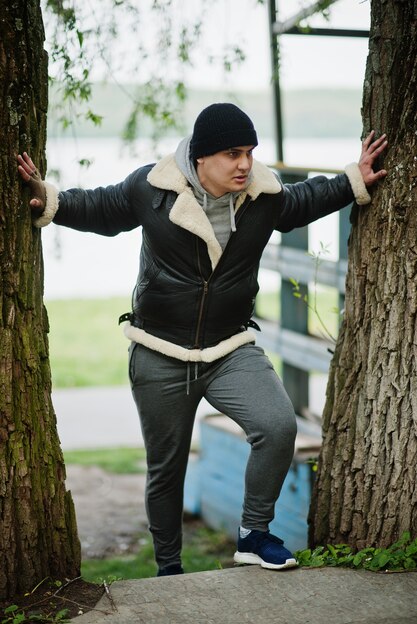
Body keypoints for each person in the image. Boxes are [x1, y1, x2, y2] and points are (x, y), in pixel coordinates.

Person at [17, 103, 388, 576]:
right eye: (233, 153)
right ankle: (169, 570)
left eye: (250, 153)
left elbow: (305, 200)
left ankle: (254, 535)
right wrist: (48, 199)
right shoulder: (151, 189)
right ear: (200, 158)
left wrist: (352, 178)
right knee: (166, 471)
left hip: (229, 348)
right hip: (159, 351)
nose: (245, 164)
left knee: (277, 427)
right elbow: (100, 207)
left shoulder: (263, 196)